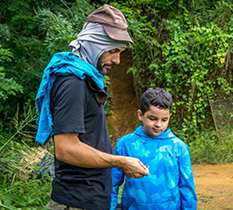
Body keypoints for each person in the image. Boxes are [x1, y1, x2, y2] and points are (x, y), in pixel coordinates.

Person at [35, 4, 149, 210]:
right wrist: (120, 162)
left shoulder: (85, 78)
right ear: (94, 43)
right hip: (76, 202)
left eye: (120, 52)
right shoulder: (73, 82)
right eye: (113, 51)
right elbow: (66, 149)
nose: (117, 60)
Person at [110, 87, 197, 210]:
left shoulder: (179, 147)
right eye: (152, 118)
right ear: (140, 115)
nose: (158, 124)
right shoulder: (125, 144)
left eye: (164, 119)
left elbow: (186, 187)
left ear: (170, 117)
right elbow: (112, 183)